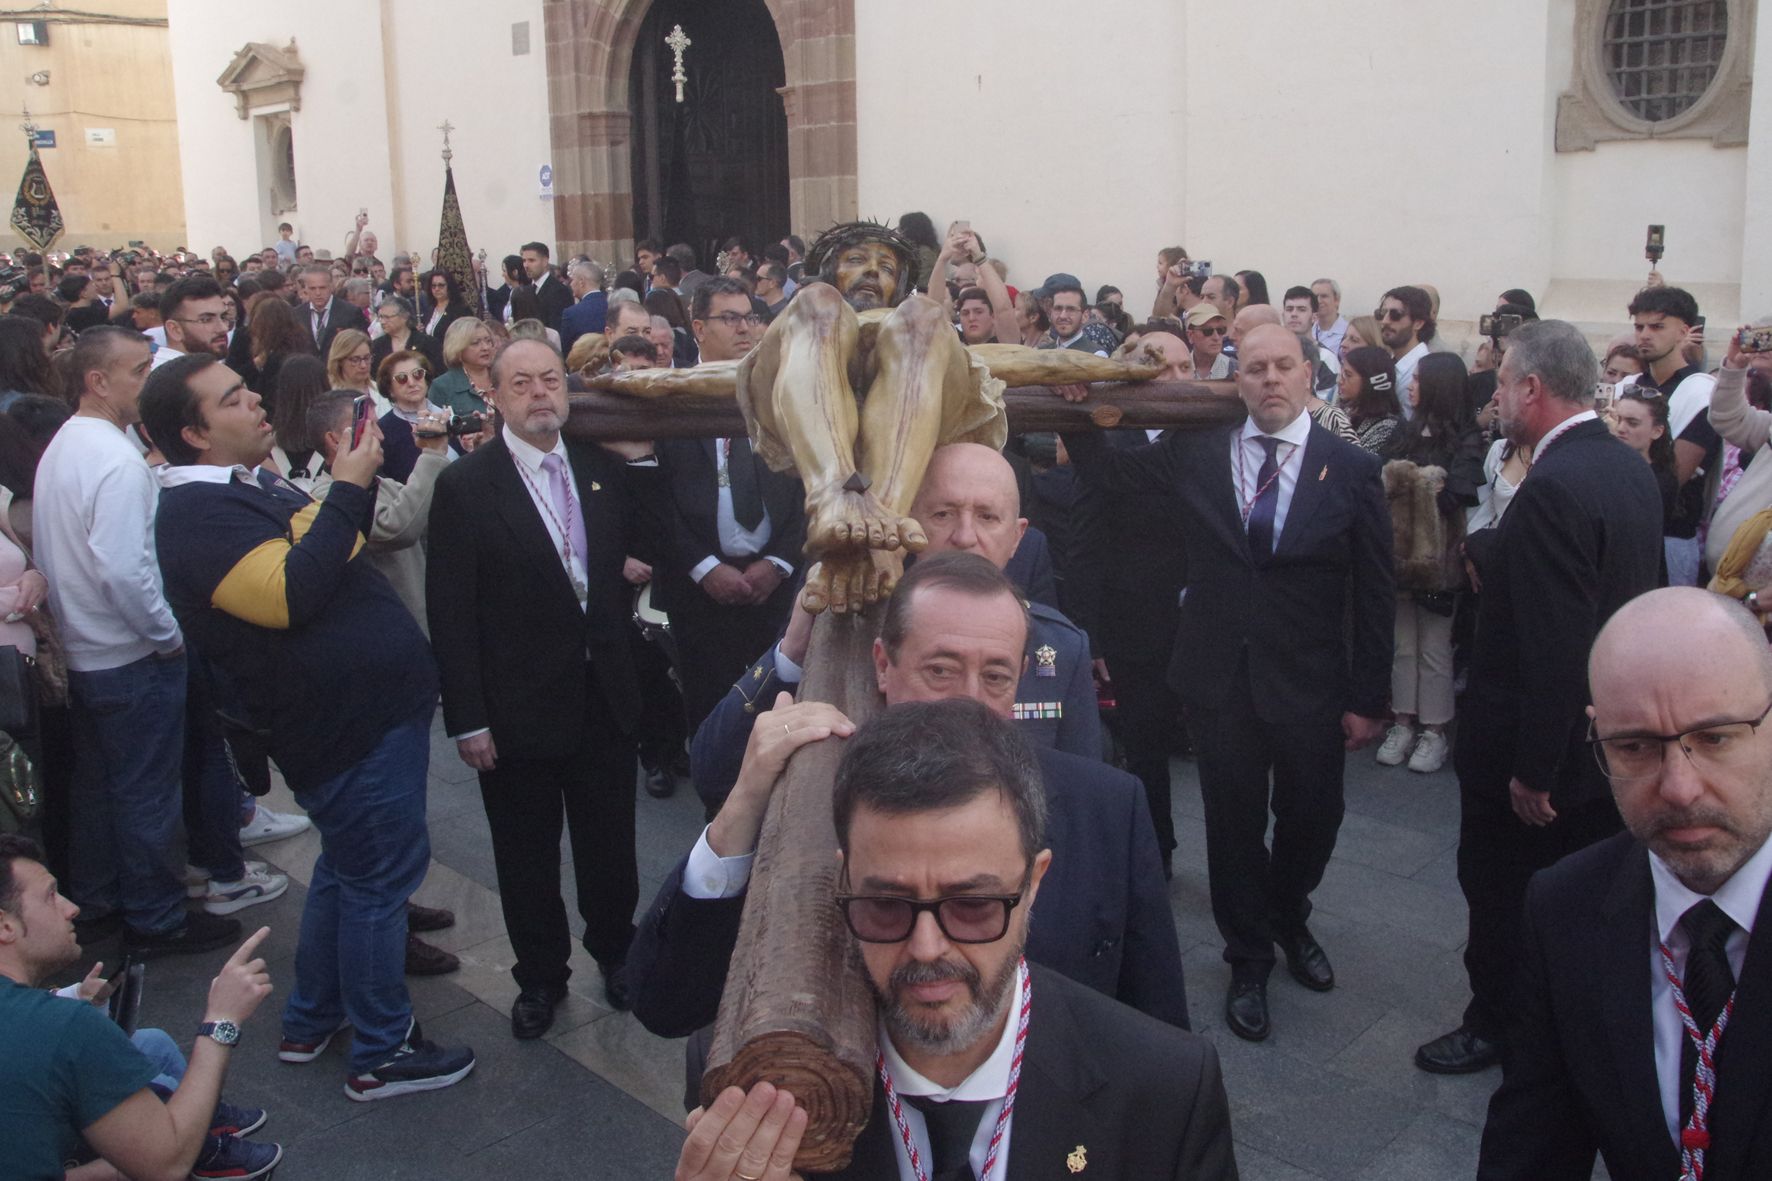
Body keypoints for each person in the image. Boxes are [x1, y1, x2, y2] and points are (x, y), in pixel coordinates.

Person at [672, 697, 1234, 1181]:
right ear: (843, 882)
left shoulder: (1168, 1091)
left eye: (971, 905)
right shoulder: (751, 1077)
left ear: (1033, 883)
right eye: (886, 905)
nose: (925, 947)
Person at [633, 553, 1188, 1039]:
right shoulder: (815, 793)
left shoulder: (1110, 808)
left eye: (994, 677)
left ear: (1020, 677)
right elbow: (664, 1002)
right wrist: (741, 808)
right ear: (884, 665)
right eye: (941, 670)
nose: (968, 701)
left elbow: (1158, 1033)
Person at [140, 353, 476, 1100]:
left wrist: (340, 501)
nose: (257, 402)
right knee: (377, 883)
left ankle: (313, 1016)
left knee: (349, 868)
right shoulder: (196, 516)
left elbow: (337, 544)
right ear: (195, 432)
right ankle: (382, 1051)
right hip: (342, 725)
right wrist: (351, 485)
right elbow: (291, 592)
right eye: (233, 399)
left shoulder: (244, 484)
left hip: (364, 712)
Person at [1061, 324, 1395, 1042]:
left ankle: (1288, 913)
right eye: (1255, 369)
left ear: (1310, 374)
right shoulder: (1198, 451)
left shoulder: (1352, 468)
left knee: (1314, 816)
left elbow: (1374, 592)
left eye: (1283, 366)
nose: (1270, 379)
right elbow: (1113, 479)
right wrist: (1081, 414)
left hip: (1311, 681)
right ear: (1236, 380)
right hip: (1219, 678)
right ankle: (1247, 955)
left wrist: (1371, 697)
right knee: (1234, 823)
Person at [1419, 320, 1665, 1075]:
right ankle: (1559, 1018)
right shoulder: (1624, 468)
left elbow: (1556, 641)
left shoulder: (1557, 483)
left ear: (1532, 387)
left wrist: (1534, 767)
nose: (1493, 399)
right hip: (1601, 741)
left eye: (1501, 385)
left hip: (1540, 752)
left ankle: (1499, 1021)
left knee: (1501, 891)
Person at [1476, 588, 1772, 1181]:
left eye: (1715, 738)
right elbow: (1532, 1148)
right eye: (1635, 746)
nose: (1680, 789)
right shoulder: (1564, 910)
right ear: (1597, 734)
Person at [425, 339, 659, 1040]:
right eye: (521, 382)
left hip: (603, 698)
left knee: (610, 847)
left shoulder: (600, 472)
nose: (539, 394)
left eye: (550, 380)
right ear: (492, 395)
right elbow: (451, 611)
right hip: (515, 706)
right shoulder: (468, 486)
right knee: (526, 855)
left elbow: (627, 565)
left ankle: (616, 952)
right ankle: (540, 976)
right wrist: (468, 717)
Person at [32, 327, 249, 958]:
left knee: (103, 788)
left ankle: (100, 902)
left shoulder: (69, 445)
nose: (146, 381)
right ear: (96, 381)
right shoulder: (116, 460)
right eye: (137, 370)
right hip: (126, 654)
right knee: (147, 793)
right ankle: (157, 917)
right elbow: (125, 569)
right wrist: (165, 636)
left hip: (89, 649)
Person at [0, 835, 283, 1181]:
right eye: (50, 896)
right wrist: (222, 1020)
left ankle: (205, 1132)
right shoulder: (63, 1027)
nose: (70, 907)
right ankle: (205, 1148)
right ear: (4, 925)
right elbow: (166, 1165)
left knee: (151, 1046)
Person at [654, 278, 804, 733]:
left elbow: (810, 486)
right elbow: (656, 497)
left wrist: (778, 562)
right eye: (730, 318)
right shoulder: (671, 395)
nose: (745, 328)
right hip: (699, 587)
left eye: (751, 317)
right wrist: (703, 567)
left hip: (774, 584)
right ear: (698, 327)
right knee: (710, 704)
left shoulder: (784, 394)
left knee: (778, 701)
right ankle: (716, 799)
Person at [1376, 353, 1486, 775]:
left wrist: (1412, 484)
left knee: (1435, 648)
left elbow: (1458, 491)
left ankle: (1435, 730)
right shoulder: (1404, 431)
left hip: (1440, 563)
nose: (1410, 385)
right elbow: (1378, 476)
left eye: (1419, 379)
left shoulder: (1466, 438)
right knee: (1403, 646)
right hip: (1399, 560)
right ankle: (1402, 721)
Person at [1617, 287, 1720, 587]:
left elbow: (1672, 479)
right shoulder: (1626, 386)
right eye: (1639, 326)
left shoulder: (1702, 393)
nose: (1645, 335)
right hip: (1617, 530)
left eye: (1657, 326)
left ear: (1683, 331)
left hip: (1670, 537)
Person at [1611, 387, 1696, 580]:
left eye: (1632, 423)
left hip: (1636, 576)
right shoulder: (1606, 463)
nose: (1621, 428)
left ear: (1657, 431)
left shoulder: (1661, 479)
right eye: (1618, 419)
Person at [374, 351, 447, 484]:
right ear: (390, 389)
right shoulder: (383, 430)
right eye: (402, 378)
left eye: (418, 374)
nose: (412, 383)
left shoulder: (446, 414)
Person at [152, 276, 230, 369]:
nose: (223, 328)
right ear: (175, 330)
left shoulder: (205, 368)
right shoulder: (165, 379)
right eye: (206, 320)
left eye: (223, 317)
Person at [1377, 286, 1433, 414]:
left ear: (1418, 323)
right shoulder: (1388, 363)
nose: (1385, 321)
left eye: (1395, 315)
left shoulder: (1426, 370)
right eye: (1382, 313)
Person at [428, 317, 497, 418]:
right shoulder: (442, 387)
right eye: (475, 343)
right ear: (458, 348)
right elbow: (436, 429)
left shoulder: (504, 376)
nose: (485, 347)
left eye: (488, 341)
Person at [293, 264, 368, 356]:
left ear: (331, 287)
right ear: (305, 289)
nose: (318, 293)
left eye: (322, 288)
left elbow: (363, 344)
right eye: (312, 288)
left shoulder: (351, 312)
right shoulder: (297, 314)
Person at [1340, 345, 1402, 453]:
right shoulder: (1346, 410)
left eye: (1348, 375)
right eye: (1342, 373)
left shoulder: (1386, 427)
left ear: (1368, 381)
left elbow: (1355, 462)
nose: (1340, 381)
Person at [369, 295, 444, 376]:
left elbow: (438, 372)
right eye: (381, 317)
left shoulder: (428, 343)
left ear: (405, 316)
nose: (382, 322)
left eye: (387, 317)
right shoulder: (376, 346)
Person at [559, 260, 608, 359]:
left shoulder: (572, 313)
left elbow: (566, 351)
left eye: (572, 280)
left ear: (581, 282)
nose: (571, 284)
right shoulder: (614, 306)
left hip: (582, 368)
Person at [520, 241, 572, 330]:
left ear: (544, 261)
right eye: (524, 261)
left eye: (531, 260)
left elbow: (558, 328)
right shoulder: (525, 290)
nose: (526, 265)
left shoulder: (559, 291)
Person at [325, 329, 378, 406]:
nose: (363, 365)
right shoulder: (329, 397)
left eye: (367, 358)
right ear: (340, 361)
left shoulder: (381, 392)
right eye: (355, 360)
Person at [419, 268, 470, 344]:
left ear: (449, 287)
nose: (437, 289)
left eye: (441, 285)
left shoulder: (460, 310)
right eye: (433, 286)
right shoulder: (429, 309)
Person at [1185, 302, 1233, 379]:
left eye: (1220, 330)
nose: (1216, 337)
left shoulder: (1235, 368)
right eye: (1207, 331)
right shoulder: (1179, 369)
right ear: (1190, 335)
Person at [1310, 278, 1348, 359]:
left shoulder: (1348, 333)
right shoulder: (1308, 332)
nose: (1319, 301)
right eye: (1315, 297)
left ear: (1337, 300)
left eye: (1324, 296)